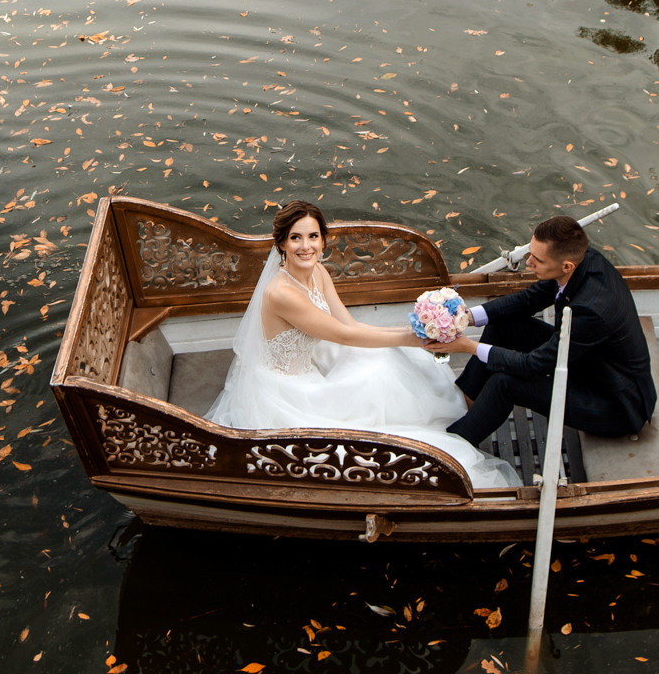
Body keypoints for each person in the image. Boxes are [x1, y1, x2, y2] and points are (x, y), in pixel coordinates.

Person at [205, 201, 519, 489]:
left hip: (314, 363)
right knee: (377, 372)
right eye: (295, 238)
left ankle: (456, 414)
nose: (306, 246)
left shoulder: (318, 272)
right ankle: (442, 434)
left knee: (387, 358)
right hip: (288, 390)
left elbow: (349, 325)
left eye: (313, 236)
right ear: (282, 244)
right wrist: (413, 339)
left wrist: (410, 333)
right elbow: (344, 337)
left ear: (323, 240)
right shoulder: (281, 293)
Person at [429, 214, 657, 446]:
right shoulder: (581, 260)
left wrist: (469, 347)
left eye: (537, 259)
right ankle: (466, 400)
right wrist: (467, 317)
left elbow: (533, 365)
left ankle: (451, 449)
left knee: (504, 383)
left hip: (613, 404)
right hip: (587, 361)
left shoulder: (591, 311)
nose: (528, 263)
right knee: (504, 324)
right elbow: (529, 300)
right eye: (530, 253)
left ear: (566, 265)